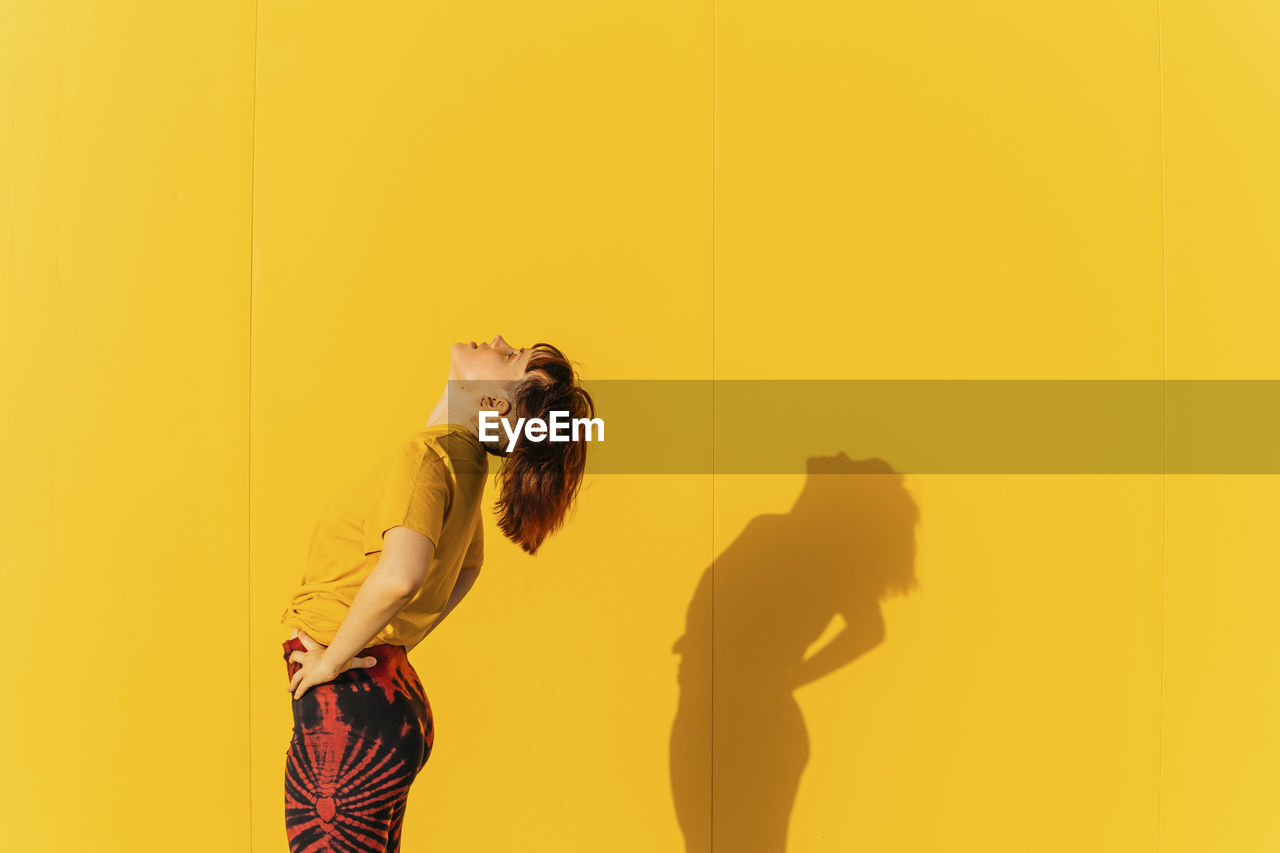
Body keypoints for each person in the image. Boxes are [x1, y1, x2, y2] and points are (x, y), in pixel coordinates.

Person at [279, 335, 594, 853]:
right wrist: (387, 644)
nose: (498, 340)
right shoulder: (461, 463)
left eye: (511, 357)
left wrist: (333, 661)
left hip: (348, 717)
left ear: (491, 402)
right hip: (385, 702)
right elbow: (467, 567)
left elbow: (401, 577)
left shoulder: (425, 457)